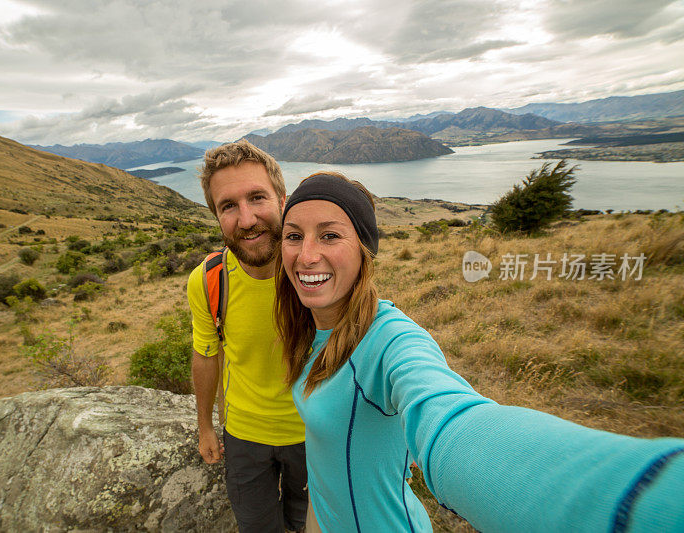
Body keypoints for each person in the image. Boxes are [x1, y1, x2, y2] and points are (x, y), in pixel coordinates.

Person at [274, 171, 684, 532]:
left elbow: (450, 420)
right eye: (294, 235)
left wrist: (640, 499)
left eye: (329, 235)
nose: (306, 254)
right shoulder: (308, 331)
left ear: (365, 251)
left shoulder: (389, 338)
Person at [187, 140, 307, 533]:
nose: (247, 219)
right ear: (215, 215)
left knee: (306, 524)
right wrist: (205, 425)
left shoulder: (314, 269)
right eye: (228, 206)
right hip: (243, 436)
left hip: (315, 433)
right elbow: (206, 354)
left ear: (282, 198)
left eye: (257, 197)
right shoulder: (209, 281)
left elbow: (365, 339)